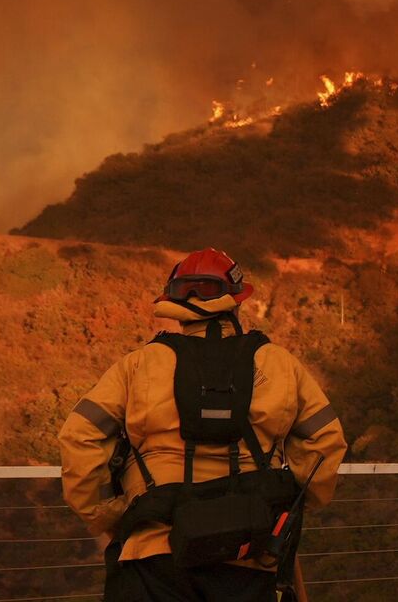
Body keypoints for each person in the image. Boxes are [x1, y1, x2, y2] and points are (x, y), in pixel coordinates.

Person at [60, 248, 346, 602]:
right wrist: (290, 505)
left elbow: (80, 436)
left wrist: (110, 514)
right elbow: (325, 441)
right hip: (251, 552)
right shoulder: (279, 364)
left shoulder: (138, 365)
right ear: (237, 303)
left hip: (154, 551)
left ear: (175, 305)